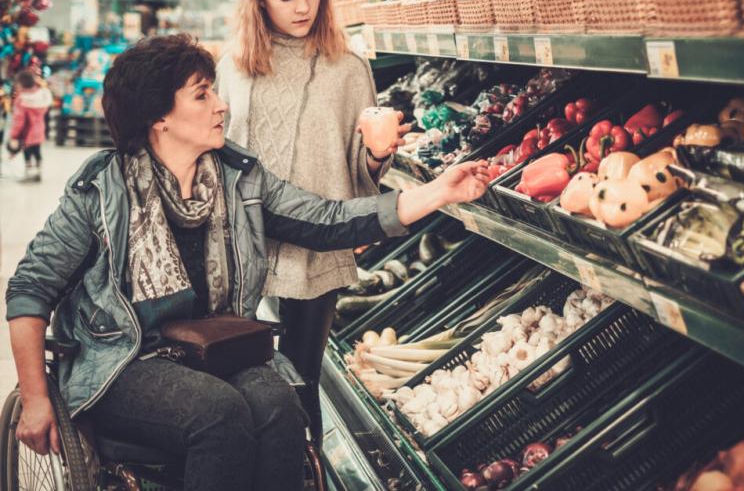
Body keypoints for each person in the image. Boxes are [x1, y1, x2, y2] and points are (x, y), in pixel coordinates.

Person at [5, 34, 489, 491]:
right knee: (218, 414)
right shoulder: (101, 190)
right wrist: (36, 398)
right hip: (124, 360)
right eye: (201, 95)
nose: (221, 105)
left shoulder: (239, 178)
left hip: (219, 349)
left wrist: (435, 193)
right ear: (159, 117)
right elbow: (30, 290)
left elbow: (328, 219)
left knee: (282, 407)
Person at [216, 0, 409, 447]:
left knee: (300, 385)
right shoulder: (233, 67)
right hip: (240, 248)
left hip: (317, 248)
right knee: (240, 385)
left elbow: (362, 172)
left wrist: (376, 153)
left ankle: (306, 475)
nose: (303, 7)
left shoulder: (348, 70)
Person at [7, 69, 53, 182]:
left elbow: (19, 120)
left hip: (27, 133)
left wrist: (14, 135)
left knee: (27, 153)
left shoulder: (22, 99)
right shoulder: (42, 95)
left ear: (21, 84)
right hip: (39, 130)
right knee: (37, 151)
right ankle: (38, 171)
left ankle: (29, 172)